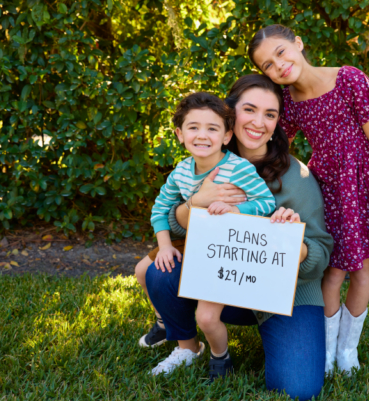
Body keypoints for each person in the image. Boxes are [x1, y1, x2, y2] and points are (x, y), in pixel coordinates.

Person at [139, 74, 333, 399]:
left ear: (277, 123)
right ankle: (189, 346)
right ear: (231, 114)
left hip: (286, 294)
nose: (259, 122)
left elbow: (319, 257)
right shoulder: (206, 158)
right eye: (250, 109)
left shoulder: (297, 177)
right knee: (159, 272)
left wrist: (293, 246)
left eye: (270, 114)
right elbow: (174, 223)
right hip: (224, 278)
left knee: (297, 390)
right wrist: (195, 203)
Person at [248, 24, 369, 375]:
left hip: (366, 188)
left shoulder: (349, 80)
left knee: (361, 272)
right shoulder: (289, 104)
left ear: (298, 43)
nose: (278, 65)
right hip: (328, 190)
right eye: (267, 65)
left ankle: (348, 351)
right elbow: (274, 144)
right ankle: (325, 352)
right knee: (333, 274)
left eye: (281, 52)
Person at [147, 91, 276, 379]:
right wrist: (165, 245)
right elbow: (160, 209)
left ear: (227, 136)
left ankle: (221, 357)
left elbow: (267, 203)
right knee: (149, 270)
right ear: (180, 134)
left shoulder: (238, 169)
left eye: (212, 128)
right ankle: (183, 342)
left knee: (207, 317)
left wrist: (237, 210)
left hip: (229, 256)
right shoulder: (180, 173)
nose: (202, 135)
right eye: (193, 128)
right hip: (199, 253)